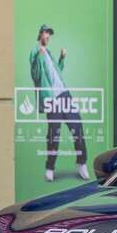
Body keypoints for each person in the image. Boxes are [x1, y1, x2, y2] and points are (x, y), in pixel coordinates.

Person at [29, 23, 88, 182]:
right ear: (40, 34)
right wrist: (38, 56)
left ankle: (81, 162)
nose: (48, 36)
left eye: (49, 34)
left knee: (77, 126)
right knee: (54, 134)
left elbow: (57, 72)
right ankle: (50, 167)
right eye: (45, 33)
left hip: (64, 95)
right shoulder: (36, 52)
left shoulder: (48, 52)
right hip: (51, 98)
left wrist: (62, 57)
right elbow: (35, 75)